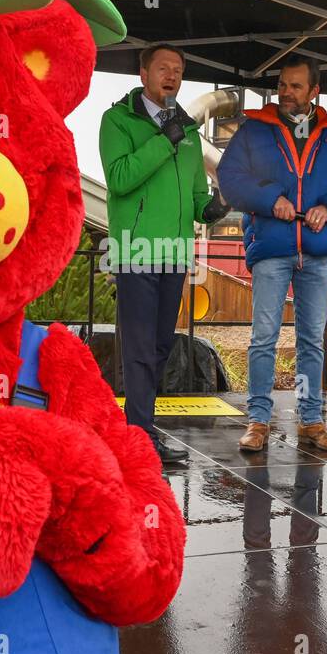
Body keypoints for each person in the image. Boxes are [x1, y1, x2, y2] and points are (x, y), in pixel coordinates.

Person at [217, 54, 327, 453]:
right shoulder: (254, 131)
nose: (286, 93)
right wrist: (272, 201)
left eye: (296, 86)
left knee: (311, 341)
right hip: (272, 248)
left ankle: (311, 421)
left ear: (314, 92)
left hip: (318, 253)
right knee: (263, 338)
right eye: (282, 85)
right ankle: (257, 421)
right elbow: (231, 178)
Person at [99, 43, 228, 466]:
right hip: (136, 251)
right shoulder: (117, 120)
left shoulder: (189, 132)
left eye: (178, 69)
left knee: (157, 347)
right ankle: (139, 440)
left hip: (174, 254)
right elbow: (119, 179)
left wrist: (212, 207)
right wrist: (162, 141)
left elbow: (194, 197)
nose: (171, 76)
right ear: (143, 74)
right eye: (163, 68)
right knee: (137, 348)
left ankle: (141, 431)